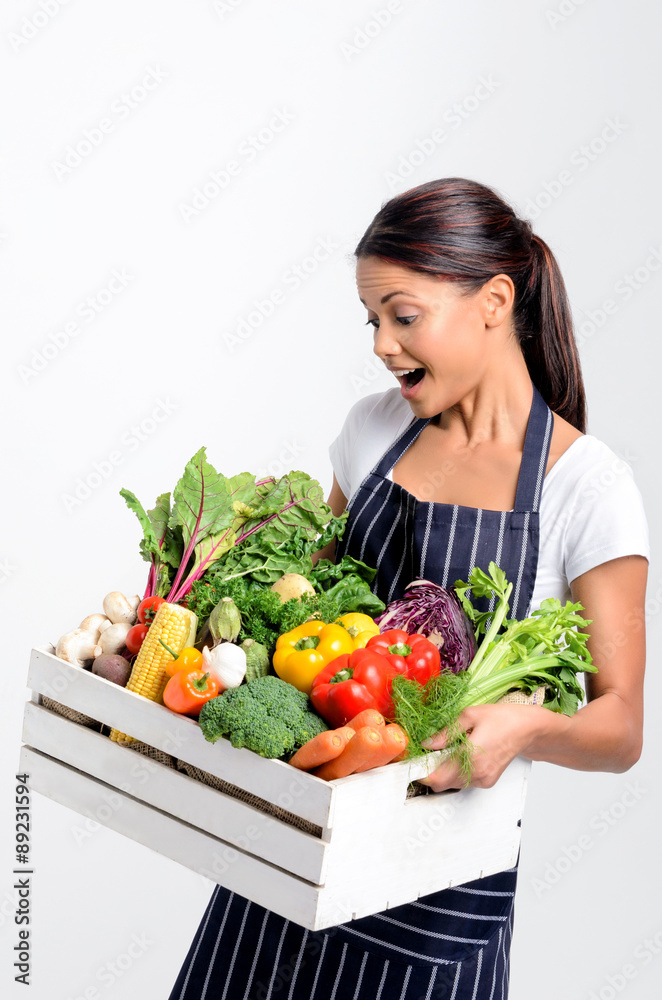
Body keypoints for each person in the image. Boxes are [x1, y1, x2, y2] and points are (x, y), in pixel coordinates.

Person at [167, 177, 648, 999]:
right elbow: (308, 606)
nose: (384, 345)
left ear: (494, 301)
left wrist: (525, 727)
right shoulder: (371, 430)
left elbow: (622, 725)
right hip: (293, 851)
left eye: (404, 315)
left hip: (436, 895)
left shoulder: (588, 488)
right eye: (373, 321)